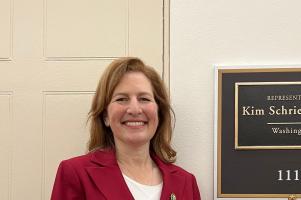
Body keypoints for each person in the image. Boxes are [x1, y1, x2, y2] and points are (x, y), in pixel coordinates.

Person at [51, 57, 201, 200]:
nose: (135, 109)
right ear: (105, 116)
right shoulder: (75, 173)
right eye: (121, 99)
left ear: (159, 113)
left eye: (144, 99)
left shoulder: (185, 182)